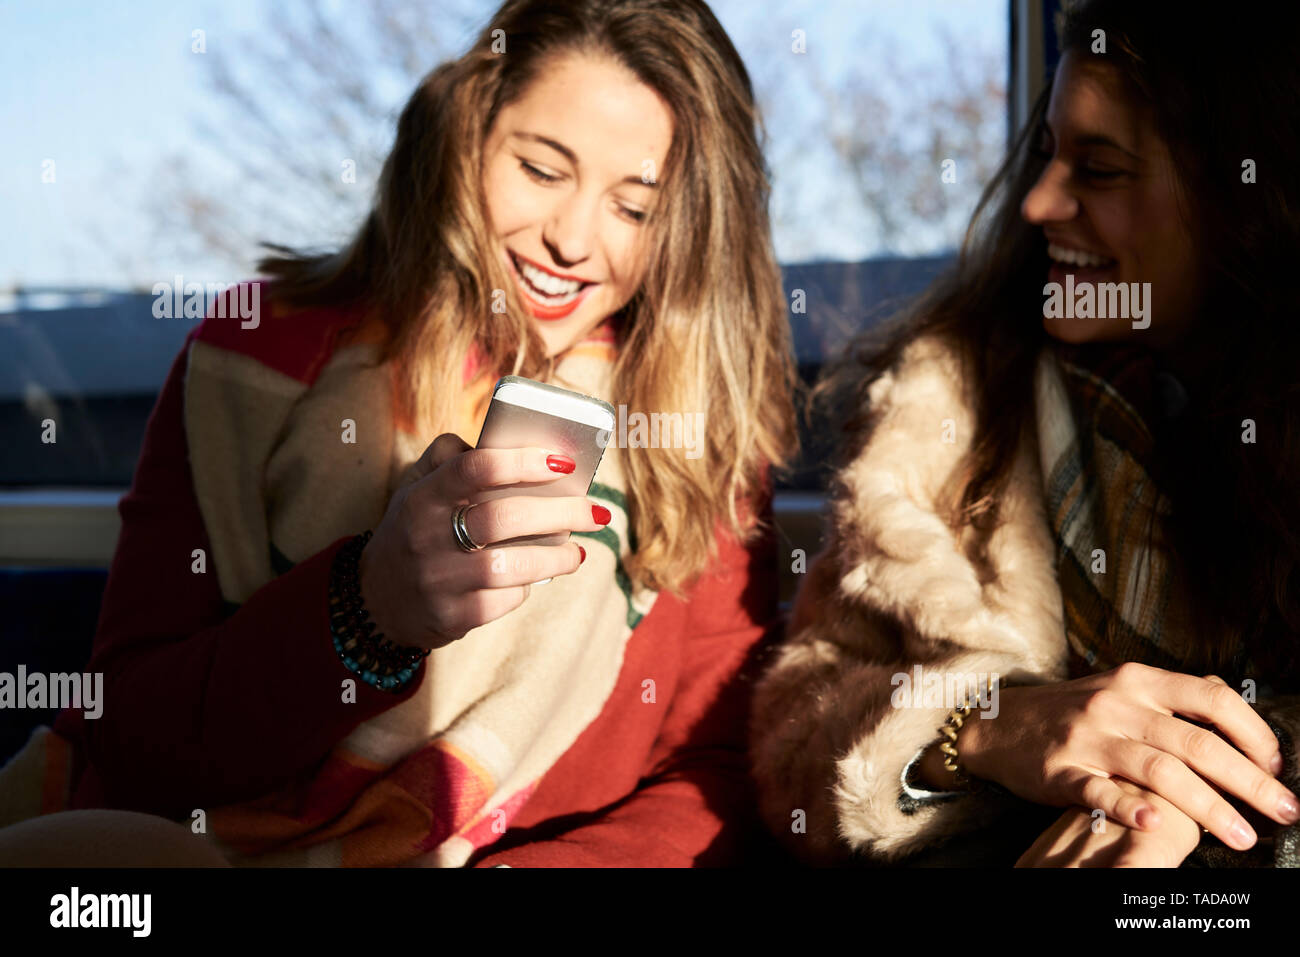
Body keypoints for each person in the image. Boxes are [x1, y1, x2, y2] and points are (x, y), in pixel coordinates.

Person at [0, 0, 797, 867]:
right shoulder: (254, 357)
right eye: (540, 169)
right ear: (468, 137)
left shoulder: (701, 434)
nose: (572, 238)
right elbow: (131, 732)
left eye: (635, 209)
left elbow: (712, 769)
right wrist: (364, 612)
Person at [749, 0, 1300, 868]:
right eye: (1045, 155)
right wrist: (986, 726)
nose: (1040, 202)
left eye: (1102, 169)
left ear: (1241, 194)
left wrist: (1181, 838)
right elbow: (792, 731)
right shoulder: (946, 410)